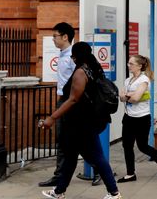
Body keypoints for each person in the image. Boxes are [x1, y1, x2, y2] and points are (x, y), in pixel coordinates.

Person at [38, 42, 121, 199]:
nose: (72, 58)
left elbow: (73, 99)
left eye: (73, 56)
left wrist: (52, 117)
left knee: (97, 157)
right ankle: (59, 191)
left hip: (81, 123)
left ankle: (114, 192)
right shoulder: (94, 68)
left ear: (76, 56)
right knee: (70, 156)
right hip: (86, 122)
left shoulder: (81, 73)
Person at [39, 23, 101, 187]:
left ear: (65, 37)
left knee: (77, 142)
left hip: (72, 103)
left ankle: (99, 170)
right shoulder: (62, 55)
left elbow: (83, 78)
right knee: (62, 141)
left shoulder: (74, 57)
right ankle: (59, 176)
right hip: (63, 101)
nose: (53, 39)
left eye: (55, 36)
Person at [117, 55, 157, 183]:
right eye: (128, 63)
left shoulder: (144, 79)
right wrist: (129, 96)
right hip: (128, 117)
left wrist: (128, 96)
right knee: (127, 145)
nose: (129, 65)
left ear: (139, 66)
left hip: (142, 118)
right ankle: (130, 173)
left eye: (131, 64)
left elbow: (136, 98)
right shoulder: (128, 80)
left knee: (142, 146)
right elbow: (121, 97)